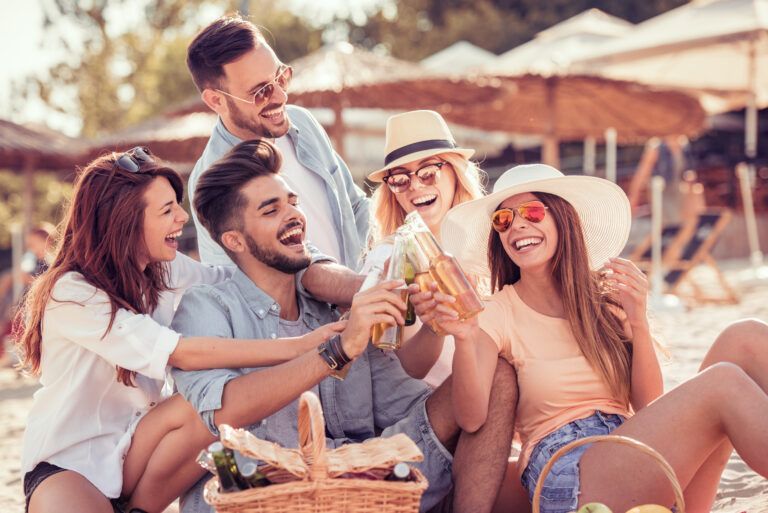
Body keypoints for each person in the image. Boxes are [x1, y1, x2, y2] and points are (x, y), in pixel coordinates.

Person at [171, 139, 518, 513]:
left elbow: (404, 403)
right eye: (271, 210)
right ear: (234, 240)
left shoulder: (336, 305)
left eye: (293, 202)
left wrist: (434, 326)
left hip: (363, 483)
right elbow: (222, 412)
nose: (293, 215)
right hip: (273, 494)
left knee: (495, 375)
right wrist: (337, 351)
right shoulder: (206, 307)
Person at [17, 148, 361, 513]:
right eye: (167, 210)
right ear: (125, 222)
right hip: (72, 464)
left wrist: (315, 271)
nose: (182, 217)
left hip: (137, 454)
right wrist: (301, 347)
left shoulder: (162, 270)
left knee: (207, 408)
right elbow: (181, 351)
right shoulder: (71, 292)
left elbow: (245, 274)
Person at [436, 163, 768, 513]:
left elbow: (648, 403)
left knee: (744, 336)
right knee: (723, 384)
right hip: (571, 474)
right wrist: (463, 339)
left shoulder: (603, 300)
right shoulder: (497, 312)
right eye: (503, 219)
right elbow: (472, 418)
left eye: (532, 211)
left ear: (565, 220)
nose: (517, 224)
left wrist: (638, 323)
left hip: (632, 459)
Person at [364, 110, 527, 511]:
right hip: (427, 415)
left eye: (428, 172)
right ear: (390, 190)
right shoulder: (389, 259)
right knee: (497, 376)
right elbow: (400, 374)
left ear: (455, 172)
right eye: (399, 178)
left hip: (497, 420)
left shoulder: (495, 243)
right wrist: (435, 326)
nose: (413, 186)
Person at [186, 14, 368, 269]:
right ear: (216, 100)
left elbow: (355, 206)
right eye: (260, 91)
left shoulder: (302, 122)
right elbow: (239, 282)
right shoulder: (210, 178)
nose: (281, 96)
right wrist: (350, 290)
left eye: (280, 77)